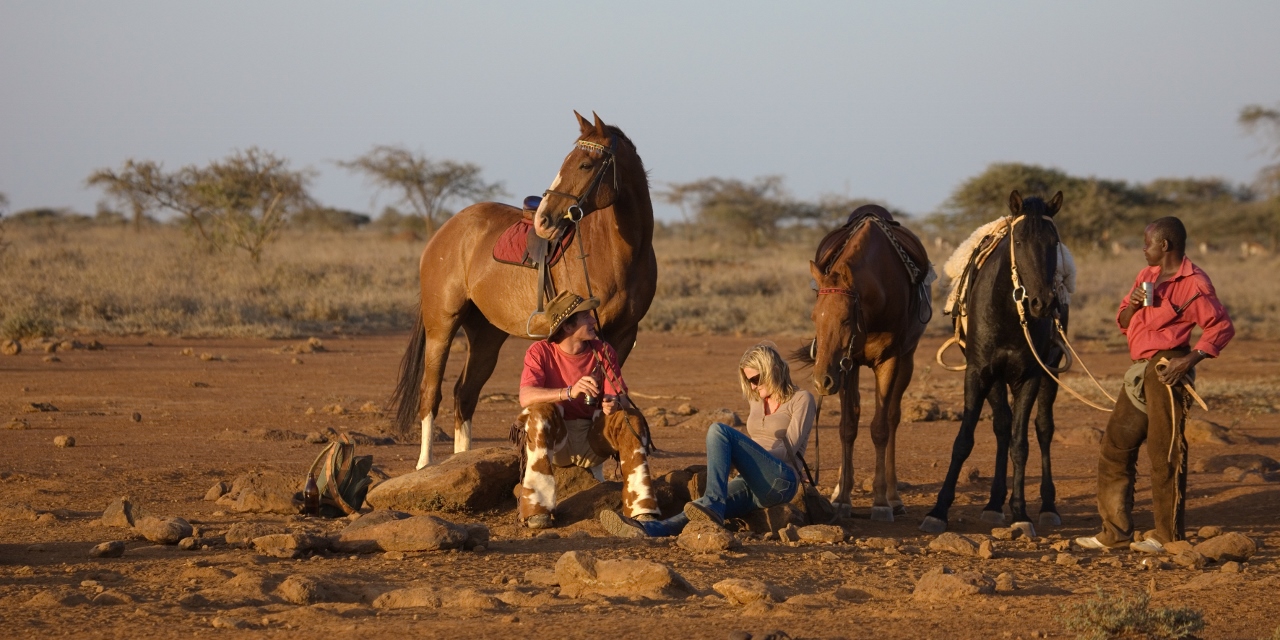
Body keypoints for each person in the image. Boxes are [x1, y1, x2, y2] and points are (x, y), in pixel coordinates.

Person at [1076, 217, 1234, 553]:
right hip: (1139, 370)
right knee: (1115, 447)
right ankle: (1114, 532)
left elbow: (1220, 327)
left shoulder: (1194, 283)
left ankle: (1168, 537)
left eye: (1147, 243)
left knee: (1165, 453)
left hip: (1167, 368)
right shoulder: (1146, 277)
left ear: (1165, 245)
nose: (1143, 249)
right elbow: (1122, 321)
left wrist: (1187, 362)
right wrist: (1132, 306)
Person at [598, 342, 815, 538]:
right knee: (699, 508)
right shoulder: (757, 401)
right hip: (751, 481)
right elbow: (754, 445)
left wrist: (743, 458)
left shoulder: (801, 399)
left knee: (718, 431)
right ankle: (647, 529)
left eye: (755, 379)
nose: (752, 387)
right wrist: (742, 463)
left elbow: (789, 449)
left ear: (773, 370)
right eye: (748, 381)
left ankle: (713, 503)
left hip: (781, 479)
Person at [514, 291, 660, 529]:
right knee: (536, 413)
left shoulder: (602, 351)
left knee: (630, 419)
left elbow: (621, 396)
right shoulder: (540, 352)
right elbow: (525, 396)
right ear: (567, 326)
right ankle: (536, 510)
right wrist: (568, 392)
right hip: (557, 442)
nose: (594, 321)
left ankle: (641, 510)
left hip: (594, 439)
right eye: (586, 317)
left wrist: (613, 402)